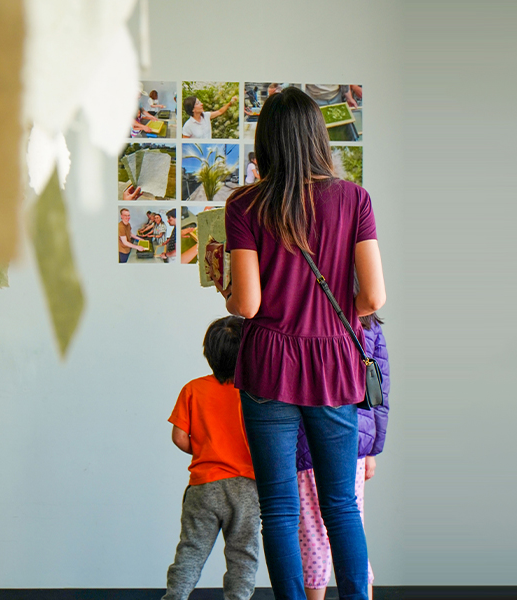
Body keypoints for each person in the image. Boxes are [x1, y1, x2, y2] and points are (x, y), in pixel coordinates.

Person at [209, 86, 385, 600]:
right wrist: (331, 323)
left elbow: (248, 306)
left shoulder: (244, 202)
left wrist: (226, 288)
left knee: (280, 507)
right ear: (317, 138)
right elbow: (373, 296)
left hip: (268, 366)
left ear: (265, 142)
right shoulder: (354, 198)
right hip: (334, 365)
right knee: (341, 505)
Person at [163, 316, 260, 600]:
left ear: (209, 353)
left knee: (191, 551)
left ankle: (175, 596)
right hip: (246, 488)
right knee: (243, 555)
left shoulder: (193, 389)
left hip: (204, 486)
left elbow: (180, 437)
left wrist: (207, 450)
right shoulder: (254, 394)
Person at [296, 310, 390, 600]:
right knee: (351, 525)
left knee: (313, 535)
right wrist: (372, 449)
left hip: (307, 443)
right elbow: (379, 388)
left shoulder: (306, 317)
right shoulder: (368, 324)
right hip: (356, 444)